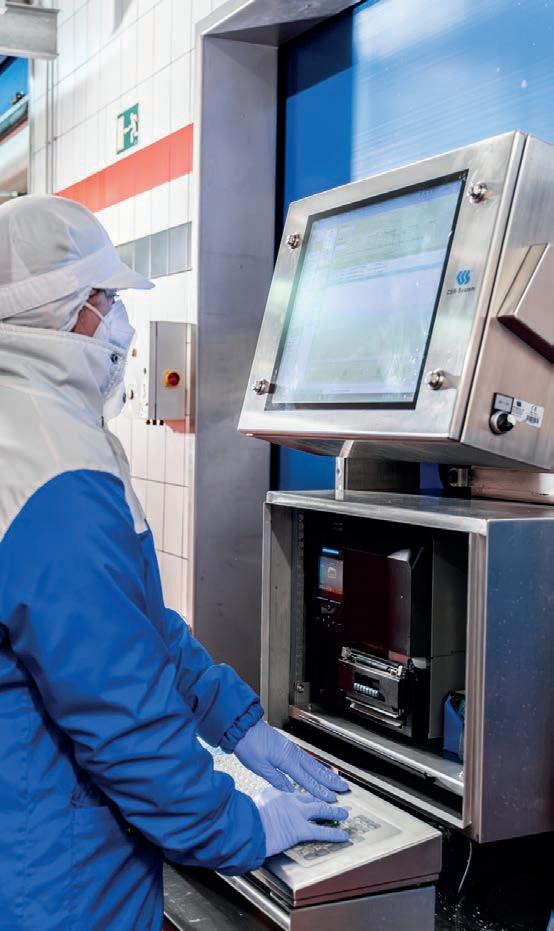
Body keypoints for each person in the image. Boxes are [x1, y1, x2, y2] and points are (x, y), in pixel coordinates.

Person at [0, 195, 350, 931]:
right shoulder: (51, 467)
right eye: (108, 298)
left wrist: (235, 721)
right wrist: (238, 825)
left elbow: (129, 623)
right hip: (55, 875)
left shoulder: (32, 427)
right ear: (69, 311)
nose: (120, 321)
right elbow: (120, 712)